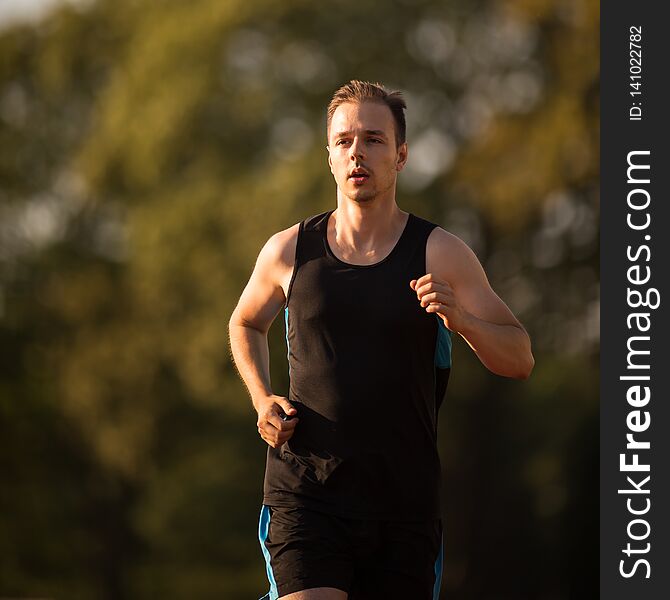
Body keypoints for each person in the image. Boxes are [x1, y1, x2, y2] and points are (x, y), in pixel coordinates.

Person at [228, 80, 534, 600]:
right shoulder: (288, 251)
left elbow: (520, 357)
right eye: (344, 141)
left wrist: (463, 321)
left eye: (373, 139)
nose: (357, 153)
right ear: (329, 157)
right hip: (307, 493)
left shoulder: (440, 253)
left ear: (401, 155)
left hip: (403, 506)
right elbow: (245, 322)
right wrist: (262, 399)